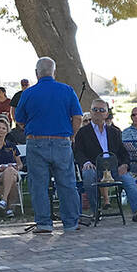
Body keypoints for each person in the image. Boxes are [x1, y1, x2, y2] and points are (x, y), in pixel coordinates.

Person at [14, 57, 83, 233]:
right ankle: (70, 222)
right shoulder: (67, 90)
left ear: (36, 73)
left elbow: (19, 119)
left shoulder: (28, 93)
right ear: (54, 71)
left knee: (39, 183)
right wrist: (72, 136)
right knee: (67, 182)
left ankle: (44, 223)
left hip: (36, 141)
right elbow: (78, 117)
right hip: (61, 141)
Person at [74, 98, 137, 221]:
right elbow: (78, 152)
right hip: (94, 167)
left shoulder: (114, 132)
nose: (98, 112)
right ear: (91, 112)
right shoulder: (82, 132)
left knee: (127, 178)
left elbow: (123, 153)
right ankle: (96, 210)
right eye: (95, 109)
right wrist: (86, 162)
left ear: (106, 114)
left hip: (114, 168)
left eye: (101, 110)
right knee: (88, 175)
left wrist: (124, 165)